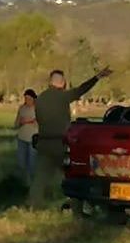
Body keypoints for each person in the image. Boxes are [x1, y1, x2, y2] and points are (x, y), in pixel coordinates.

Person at [32, 67, 112, 207]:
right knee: (71, 175)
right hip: (60, 143)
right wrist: (96, 77)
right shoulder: (63, 97)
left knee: (40, 177)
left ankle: (33, 205)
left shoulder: (39, 99)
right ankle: (73, 205)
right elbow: (81, 90)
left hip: (43, 143)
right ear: (62, 83)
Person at [14, 88, 39, 186]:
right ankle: (23, 182)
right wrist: (22, 122)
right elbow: (16, 123)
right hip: (22, 138)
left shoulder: (38, 109)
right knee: (21, 162)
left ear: (33, 99)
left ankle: (32, 183)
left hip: (33, 140)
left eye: (29, 99)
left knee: (32, 163)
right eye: (25, 99)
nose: (27, 101)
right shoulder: (22, 108)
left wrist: (30, 121)